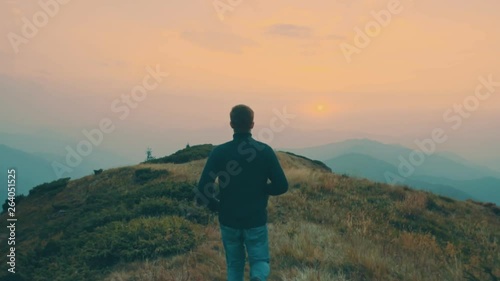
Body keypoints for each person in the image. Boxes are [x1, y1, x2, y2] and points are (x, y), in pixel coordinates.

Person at [197, 104, 288, 281]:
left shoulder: (219, 152)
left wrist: (218, 207)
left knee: (235, 265)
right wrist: (262, 190)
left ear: (231, 124)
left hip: (229, 220)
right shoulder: (264, 151)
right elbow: (282, 185)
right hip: (255, 220)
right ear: (252, 124)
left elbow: (203, 189)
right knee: (260, 260)